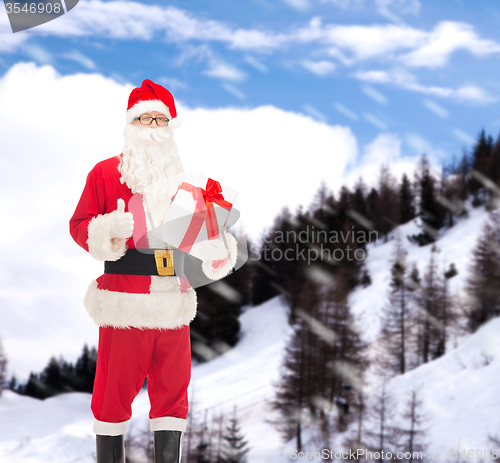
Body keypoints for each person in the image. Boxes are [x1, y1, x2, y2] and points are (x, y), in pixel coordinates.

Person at [70, 79, 238, 463]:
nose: (151, 126)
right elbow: (79, 224)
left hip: (172, 302)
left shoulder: (190, 185)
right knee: (111, 398)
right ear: (131, 125)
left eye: (159, 120)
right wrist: (108, 230)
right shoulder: (104, 173)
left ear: (170, 128)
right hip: (123, 301)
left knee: (173, 397)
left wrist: (217, 248)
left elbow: (210, 249)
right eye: (144, 118)